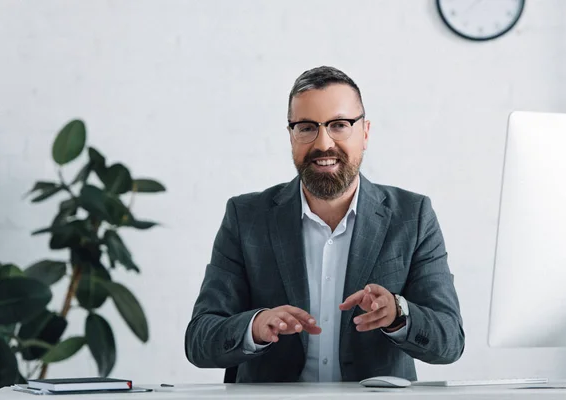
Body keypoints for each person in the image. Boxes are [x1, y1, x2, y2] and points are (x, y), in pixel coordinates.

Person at [184, 66, 465, 383]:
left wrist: (399, 315)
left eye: (339, 125)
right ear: (291, 136)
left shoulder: (412, 216)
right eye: (306, 127)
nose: (324, 143)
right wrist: (255, 326)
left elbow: (450, 341)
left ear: (365, 133)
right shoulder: (246, 216)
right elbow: (199, 340)